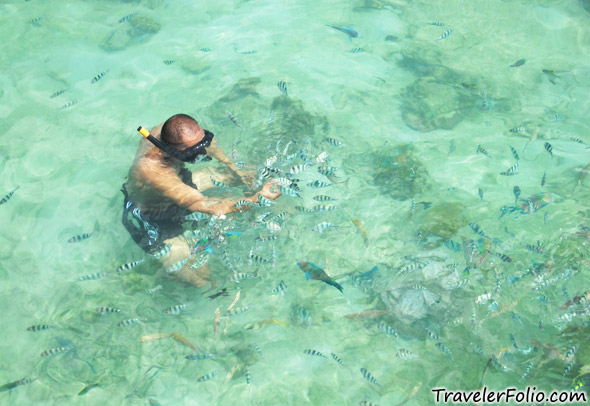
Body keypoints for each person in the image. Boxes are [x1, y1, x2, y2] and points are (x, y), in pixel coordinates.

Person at [122, 113, 281, 287]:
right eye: (194, 152)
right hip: (155, 218)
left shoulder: (167, 131)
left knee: (248, 173)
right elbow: (204, 205)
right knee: (202, 279)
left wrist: (235, 169)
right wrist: (257, 199)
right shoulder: (153, 171)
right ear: (172, 151)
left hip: (179, 184)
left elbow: (208, 145)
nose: (203, 151)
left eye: (203, 142)